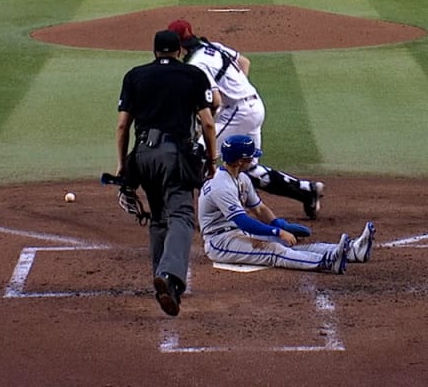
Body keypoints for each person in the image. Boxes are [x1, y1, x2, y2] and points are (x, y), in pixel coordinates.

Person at [167, 18, 325, 220]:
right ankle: (306, 191)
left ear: (178, 46)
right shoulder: (212, 47)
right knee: (248, 168)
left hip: (238, 111)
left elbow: (215, 100)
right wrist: (238, 89)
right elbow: (244, 63)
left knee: (198, 153)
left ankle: (204, 212)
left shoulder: (196, 64)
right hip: (254, 104)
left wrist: (208, 121)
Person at [115, 30, 219, 317]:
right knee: (182, 216)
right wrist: (212, 160)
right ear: (179, 51)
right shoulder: (193, 76)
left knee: (159, 218)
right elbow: (208, 124)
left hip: (143, 156)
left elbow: (123, 126)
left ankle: (165, 285)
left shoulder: (134, 75)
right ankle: (170, 275)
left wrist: (124, 165)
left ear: (154, 51)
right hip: (174, 155)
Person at [199, 134, 376, 274]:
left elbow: (259, 209)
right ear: (239, 161)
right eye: (250, 158)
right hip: (219, 241)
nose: (253, 160)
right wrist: (277, 232)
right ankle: (328, 263)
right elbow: (243, 221)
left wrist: (280, 225)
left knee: (290, 244)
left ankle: (353, 251)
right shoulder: (221, 186)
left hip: (237, 233)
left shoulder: (242, 178)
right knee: (274, 250)